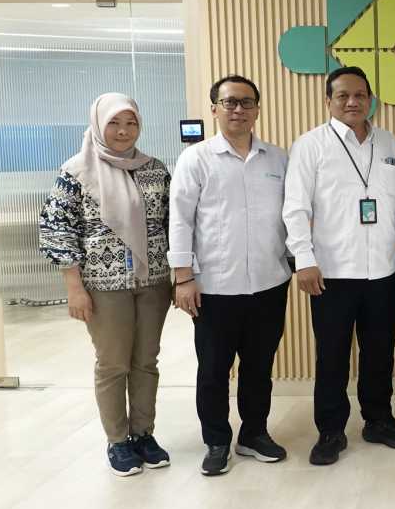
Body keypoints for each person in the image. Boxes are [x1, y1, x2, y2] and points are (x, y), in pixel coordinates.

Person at [283, 66, 395, 466]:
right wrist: (304, 259)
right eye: (342, 95)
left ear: (371, 100)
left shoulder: (389, 142)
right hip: (331, 273)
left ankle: (378, 420)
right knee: (332, 357)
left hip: (382, 270)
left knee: (380, 353)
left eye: (360, 95)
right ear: (328, 101)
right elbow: (295, 208)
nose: (352, 102)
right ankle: (330, 430)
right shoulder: (310, 145)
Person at [39, 93, 173, 476]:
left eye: (131, 122)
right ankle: (118, 441)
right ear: (99, 124)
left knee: (146, 361)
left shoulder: (155, 170)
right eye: (114, 122)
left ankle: (143, 435)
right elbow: (57, 229)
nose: (123, 131)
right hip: (103, 285)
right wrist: (74, 287)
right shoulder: (76, 171)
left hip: (153, 281)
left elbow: (172, 224)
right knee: (113, 363)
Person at [168, 75, 293, 476]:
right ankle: (217, 441)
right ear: (214, 109)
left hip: (269, 283)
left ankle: (254, 434)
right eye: (229, 102)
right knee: (213, 370)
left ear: (257, 108)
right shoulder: (196, 159)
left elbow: (291, 216)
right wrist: (183, 278)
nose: (238, 109)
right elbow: (180, 221)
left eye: (246, 102)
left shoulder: (277, 158)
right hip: (213, 288)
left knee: (259, 367)